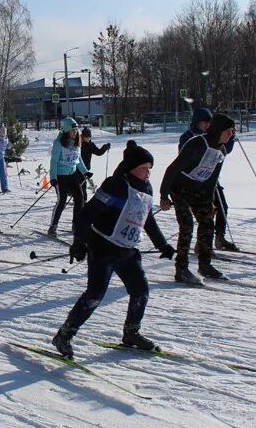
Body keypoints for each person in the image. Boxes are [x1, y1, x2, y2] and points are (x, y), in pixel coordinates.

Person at [51, 143, 174, 359]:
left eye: (150, 168)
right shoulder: (115, 185)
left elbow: (147, 219)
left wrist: (162, 244)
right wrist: (79, 241)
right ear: (132, 167)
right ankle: (64, 335)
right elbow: (87, 214)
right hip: (103, 248)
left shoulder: (146, 189)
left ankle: (131, 333)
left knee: (141, 291)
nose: (149, 172)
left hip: (127, 251)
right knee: (94, 296)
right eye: (145, 167)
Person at [160, 113, 236, 284]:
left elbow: (212, 179)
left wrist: (209, 203)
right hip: (179, 188)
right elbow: (172, 169)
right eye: (229, 131)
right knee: (186, 225)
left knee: (208, 222)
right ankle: (181, 269)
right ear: (218, 130)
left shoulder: (221, 151)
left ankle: (205, 264)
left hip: (199, 189)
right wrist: (164, 195)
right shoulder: (196, 144)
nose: (231, 134)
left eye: (233, 131)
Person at [179, 107, 238, 251]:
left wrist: (230, 137)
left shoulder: (211, 135)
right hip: (193, 181)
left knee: (222, 207)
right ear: (196, 122)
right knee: (204, 213)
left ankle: (219, 237)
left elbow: (223, 151)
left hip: (210, 178)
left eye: (209, 122)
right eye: (204, 122)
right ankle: (202, 244)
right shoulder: (189, 137)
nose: (207, 125)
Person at [48, 117, 91, 236]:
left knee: (80, 198)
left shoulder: (77, 142)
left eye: (76, 130)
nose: (75, 133)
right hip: (60, 176)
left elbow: (79, 159)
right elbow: (54, 161)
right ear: (66, 131)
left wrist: (85, 171)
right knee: (62, 201)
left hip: (72, 175)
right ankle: (53, 226)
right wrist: (53, 178)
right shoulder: (58, 143)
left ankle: (76, 225)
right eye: (72, 130)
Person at [79, 127, 110, 198]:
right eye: (86, 137)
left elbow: (98, 152)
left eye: (89, 137)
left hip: (86, 168)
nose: (88, 138)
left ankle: (82, 199)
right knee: (80, 184)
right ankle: (81, 199)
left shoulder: (90, 145)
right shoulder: (78, 144)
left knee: (82, 184)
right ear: (82, 136)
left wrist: (105, 147)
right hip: (76, 167)